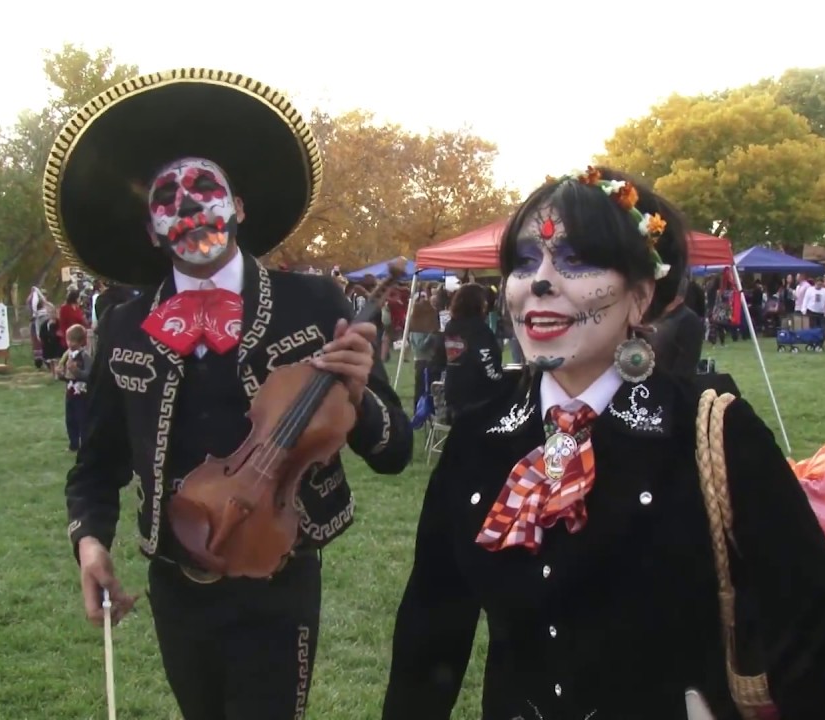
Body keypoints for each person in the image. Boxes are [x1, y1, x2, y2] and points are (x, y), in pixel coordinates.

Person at [382, 166, 825, 720]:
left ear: (641, 297)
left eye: (576, 261)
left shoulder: (713, 433)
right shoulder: (479, 439)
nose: (541, 281)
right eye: (524, 263)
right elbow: (429, 636)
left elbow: (818, 649)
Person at [48, 68, 413, 720]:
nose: (190, 208)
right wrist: (89, 541)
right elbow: (95, 466)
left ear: (239, 205)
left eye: (205, 189)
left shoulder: (314, 303)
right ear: (153, 229)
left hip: (280, 577)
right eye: (169, 200)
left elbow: (393, 451)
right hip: (175, 584)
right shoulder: (125, 326)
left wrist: (358, 397)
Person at [438, 282, 504, 421]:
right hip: (478, 397)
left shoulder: (450, 327)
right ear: (477, 303)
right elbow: (487, 362)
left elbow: (438, 358)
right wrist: (501, 380)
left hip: (453, 394)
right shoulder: (479, 330)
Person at [58, 324, 92, 452]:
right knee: (70, 419)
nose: (70, 344)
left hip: (82, 393)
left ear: (81, 342)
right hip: (70, 392)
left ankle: (84, 445)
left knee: (82, 419)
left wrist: (76, 371)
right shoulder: (67, 355)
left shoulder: (85, 357)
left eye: (72, 341)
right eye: (68, 340)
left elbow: (89, 376)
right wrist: (61, 375)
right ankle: (73, 444)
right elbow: (67, 376)